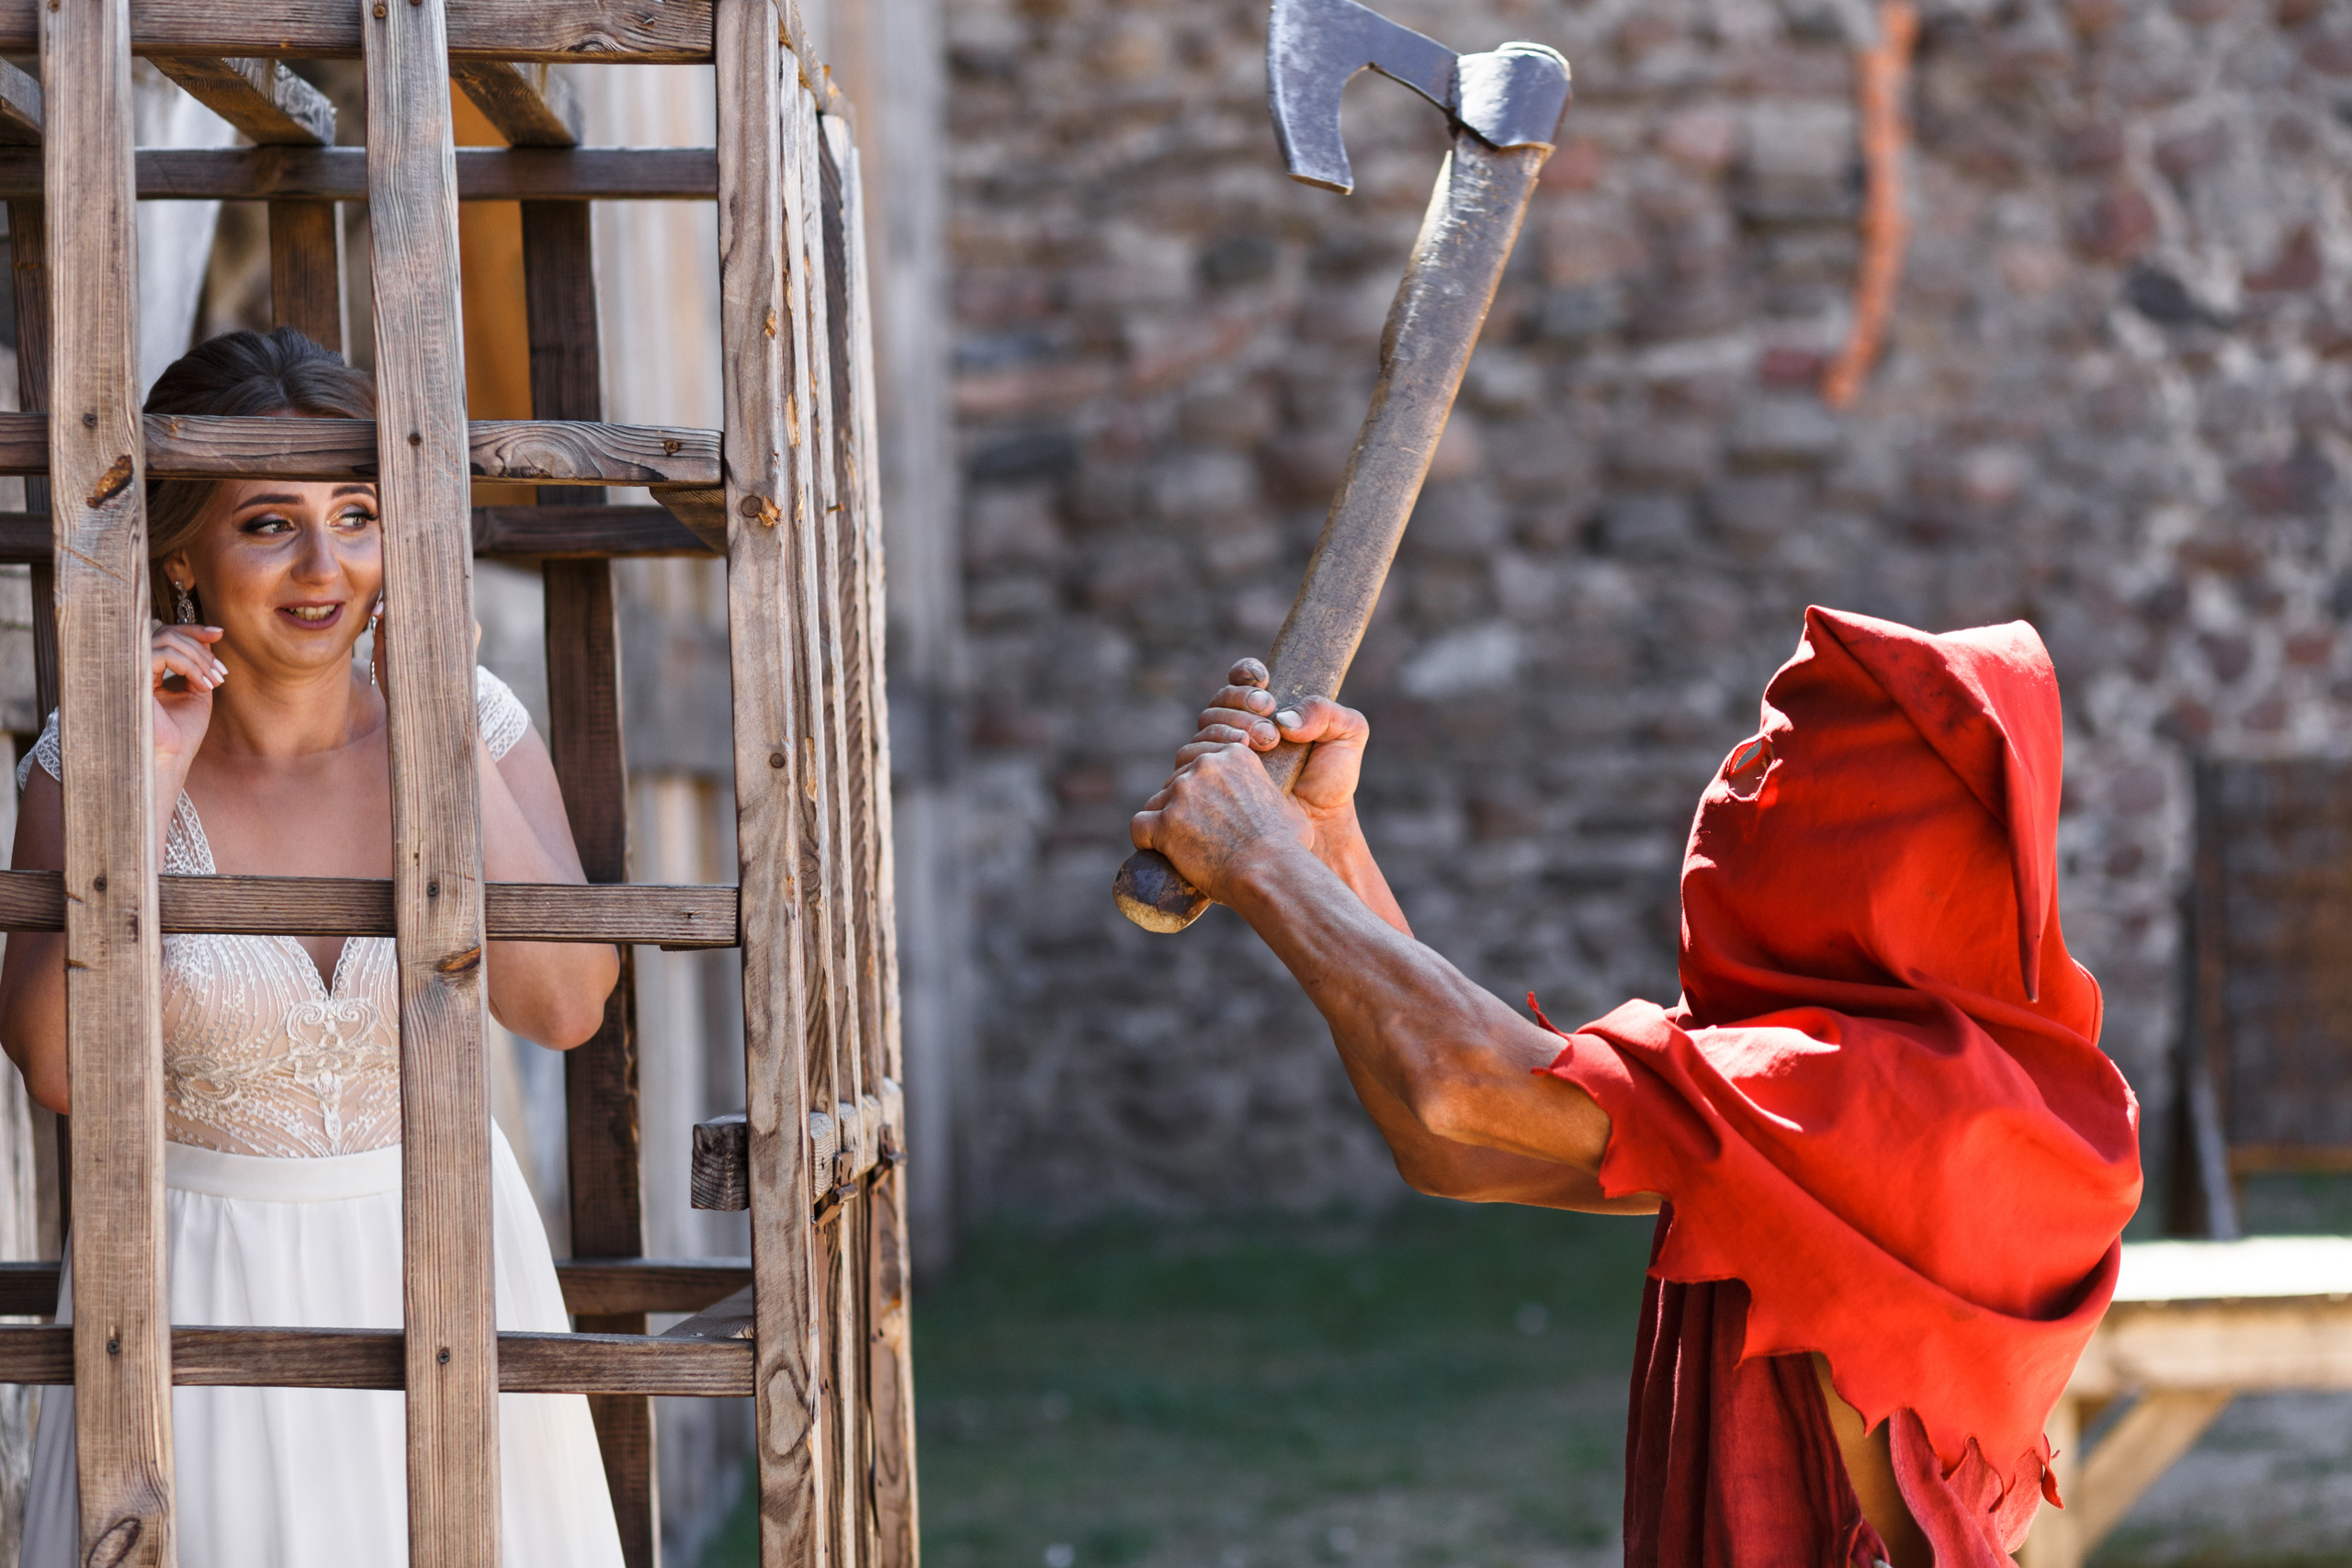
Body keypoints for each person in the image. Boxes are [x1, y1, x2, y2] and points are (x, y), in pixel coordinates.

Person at [1129, 606, 2143, 1566]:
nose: (1742, 786)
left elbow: (1459, 1079)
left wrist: (1263, 860)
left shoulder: (1894, 1104)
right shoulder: (1888, 1099)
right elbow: (1468, 1142)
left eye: (1786, 767)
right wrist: (1323, 840)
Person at [0, 327, 628, 1566]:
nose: (326, 564)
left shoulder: (475, 723)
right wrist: (141, 785)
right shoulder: (94, 757)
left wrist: (437, 723)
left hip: (448, 1260)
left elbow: (563, 1006)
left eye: (357, 513)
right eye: (269, 522)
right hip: (191, 1289)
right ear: (181, 548)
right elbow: (61, 1072)